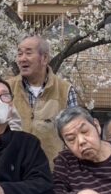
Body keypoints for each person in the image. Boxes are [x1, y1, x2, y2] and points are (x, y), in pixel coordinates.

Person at [6, 34, 78, 166]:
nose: (22, 59)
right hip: (13, 171)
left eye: (28, 53)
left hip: (52, 171)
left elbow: (74, 133)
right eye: (19, 54)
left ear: (44, 58)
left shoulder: (65, 90)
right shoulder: (6, 89)